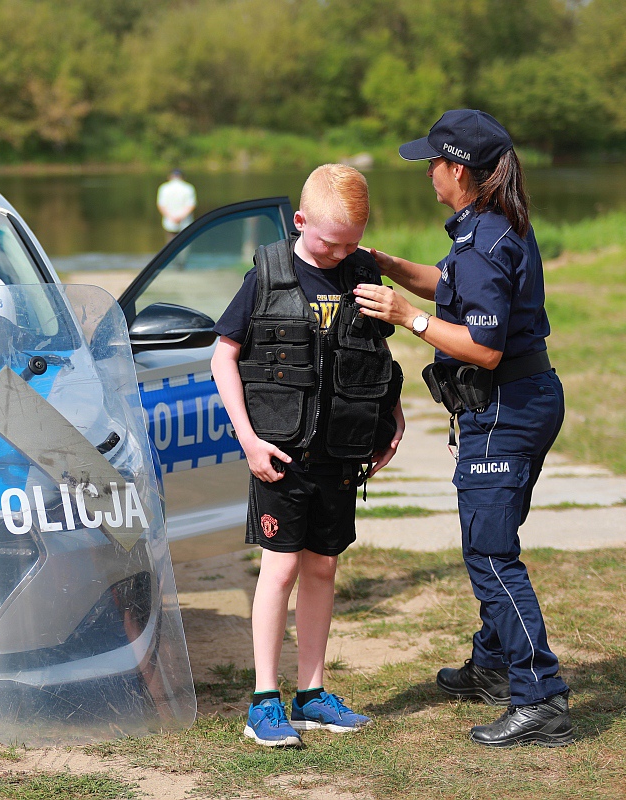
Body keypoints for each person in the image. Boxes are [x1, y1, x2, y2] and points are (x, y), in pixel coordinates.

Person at [354, 109, 573, 748]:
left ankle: (540, 696)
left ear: (461, 170)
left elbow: (483, 348)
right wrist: (391, 265)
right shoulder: (493, 226)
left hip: (504, 406)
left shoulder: (484, 241)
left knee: (490, 551)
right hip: (526, 401)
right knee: (492, 538)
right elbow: (452, 282)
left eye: (433, 162)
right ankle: (496, 663)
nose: (428, 172)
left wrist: (408, 318)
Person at [211, 164, 405, 747]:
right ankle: (264, 702)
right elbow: (224, 356)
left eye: (352, 242)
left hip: (340, 454)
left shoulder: (363, 275)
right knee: (282, 568)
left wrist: (391, 419)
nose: (340, 252)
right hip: (279, 452)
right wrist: (247, 439)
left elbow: (376, 362)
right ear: (300, 222)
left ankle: (313, 693)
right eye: (329, 241)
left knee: (323, 565)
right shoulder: (267, 274)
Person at [157, 169, 196, 240]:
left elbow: (161, 205)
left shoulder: (164, 188)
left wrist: (171, 218)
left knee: (170, 245)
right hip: (185, 223)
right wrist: (180, 218)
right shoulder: (188, 188)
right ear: (183, 177)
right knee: (185, 244)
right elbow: (191, 205)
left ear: (170, 177)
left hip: (169, 222)